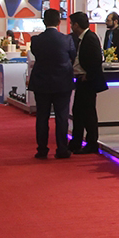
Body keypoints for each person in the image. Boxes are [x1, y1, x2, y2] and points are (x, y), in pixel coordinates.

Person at [28, 9, 76, 159]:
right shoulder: (67, 39)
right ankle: (62, 149)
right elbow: (73, 57)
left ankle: (42, 150)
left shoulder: (36, 40)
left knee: (42, 117)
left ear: (44, 21)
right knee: (62, 117)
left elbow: (36, 54)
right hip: (62, 82)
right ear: (59, 22)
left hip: (41, 82)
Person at [68, 12, 107, 154]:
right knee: (78, 111)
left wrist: (88, 75)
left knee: (88, 112)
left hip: (88, 81)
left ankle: (91, 143)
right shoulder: (82, 38)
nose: (71, 27)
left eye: (71, 24)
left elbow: (96, 60)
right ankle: (76, 141)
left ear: (76, 25)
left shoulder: (90, 38)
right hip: (82, 80)